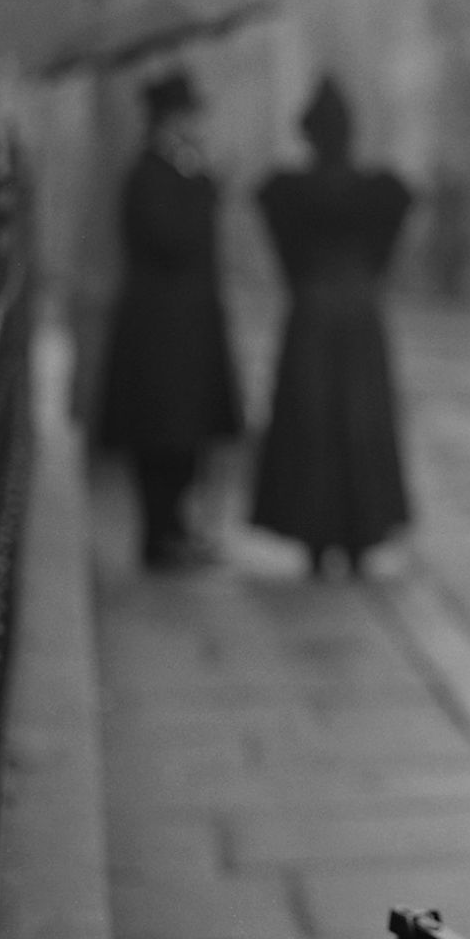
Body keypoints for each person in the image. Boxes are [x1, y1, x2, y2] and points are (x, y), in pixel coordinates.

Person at [250, 77, 415, 575]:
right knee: (357, 420)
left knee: (314, 420)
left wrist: (310, 280)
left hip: (314, 312)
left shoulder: (288, 192)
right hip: (359, 312)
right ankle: (361, 532)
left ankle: (317, 537)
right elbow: (388, 244)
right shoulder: (378, 191)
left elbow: (285, 252)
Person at [97, 67, 243, 571]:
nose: (196, 124)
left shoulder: (176, 171)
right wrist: (205, 184)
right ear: (168, 120)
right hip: (160, 332)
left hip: (187, 329)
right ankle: (159, 535)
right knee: (161, 436)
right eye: (187, 115)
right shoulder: (149, 173)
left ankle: (177, 529)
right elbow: (171, 240)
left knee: (187, 435)